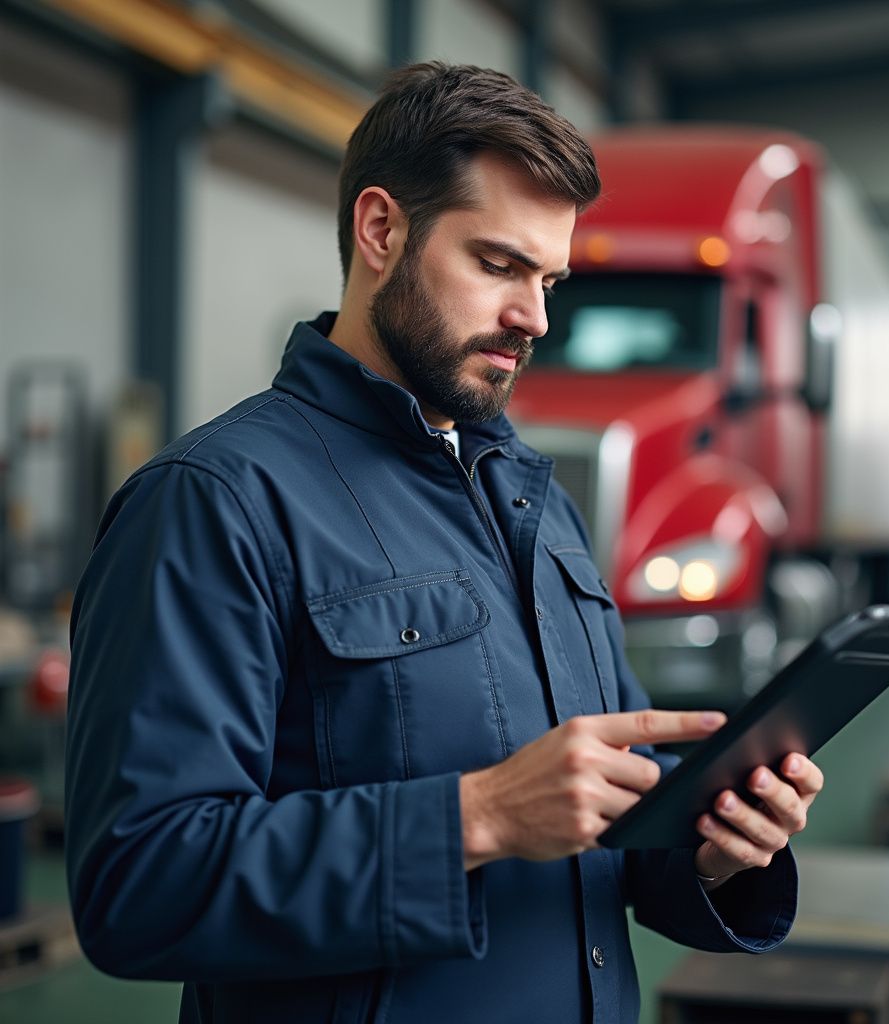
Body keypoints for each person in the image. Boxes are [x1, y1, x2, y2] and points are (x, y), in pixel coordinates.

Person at [65, 62, 823, 1024]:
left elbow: (609, 827)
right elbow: (137, 887)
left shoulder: (538, 504)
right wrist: (477, 818)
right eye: (499, 266)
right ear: (380, 230)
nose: (536, 319)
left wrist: (713, 846)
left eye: (549, 279)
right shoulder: (214, 503)